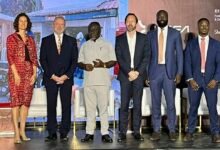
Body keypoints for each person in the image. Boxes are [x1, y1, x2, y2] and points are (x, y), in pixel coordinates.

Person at [40, 16, 78, 142]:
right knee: (51, 105)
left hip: (66, 79)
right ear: (53, 25)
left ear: (65, 26)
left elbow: (74, 61)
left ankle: (64, 132)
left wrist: (65, 76)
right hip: (51, 78)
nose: (59, 26)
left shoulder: (72, 41)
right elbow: (43, 60)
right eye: (57, 24)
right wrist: (53, 76)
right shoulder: (45, 41)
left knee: (66, 106)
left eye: (62, 24)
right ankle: (51, 132)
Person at [147, 10, 183, 141]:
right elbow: (148, 56)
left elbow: (179, 55)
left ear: (168, 18)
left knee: (171, 104)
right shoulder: (150, 35)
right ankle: (156, 130)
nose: (161, 18)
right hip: (154, 73)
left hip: (170, 73)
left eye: (164, 16)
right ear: (156, 18)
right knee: (155, 103)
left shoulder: (175, 33)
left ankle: (172, 130)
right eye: (159, 16)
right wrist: (147, 74)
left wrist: (179, 73)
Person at [78, 22, 116, 143]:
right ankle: (89, 133)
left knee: (103, 109)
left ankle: (105, 133)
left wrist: (103, 64)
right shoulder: (84, 45)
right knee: (90, 110)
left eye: (95, 30)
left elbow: (113, 61)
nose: (92, 32)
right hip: (88, 82)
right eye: (90, 30)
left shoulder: (107, 44)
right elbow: (79, 62)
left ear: (100, 30)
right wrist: (85, 66)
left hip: (103, 82)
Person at [184, 18, 220, 143]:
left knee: (212, 108)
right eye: (201, 25)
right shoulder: (191, 44)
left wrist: (216, 79)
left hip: (211, 81)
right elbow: (187, 63)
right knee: (193, 108)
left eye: (206, 25)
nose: (204, 27)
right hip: (195, 81)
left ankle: (215, 133)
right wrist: (190, 79)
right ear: (198, 26)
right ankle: (190, 132)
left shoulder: (216, 44)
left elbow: (219, 64)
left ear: (209, 26)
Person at [115, 13, 148, 142]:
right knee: (123, 105)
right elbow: (119, 57)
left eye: (132, 21)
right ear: (125, 23)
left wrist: (137, 72)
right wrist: (129, 72)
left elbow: (146, 57)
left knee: (137, 105)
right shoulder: (119, 39)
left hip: (138, 76)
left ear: (136, 23)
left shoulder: (143, 38)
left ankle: (136, 131)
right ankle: (122, 132)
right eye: (128, 21)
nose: (130, 23)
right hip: (125, 76)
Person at [6, 13, 38, 144]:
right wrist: (16, 74)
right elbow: (10, 57)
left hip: (29, 74)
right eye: (21, 21)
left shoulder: (31, 39)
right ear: (17, 23)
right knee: (16, 103)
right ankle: (16, 134)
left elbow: (34, 57)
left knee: (25, 103)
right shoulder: (11, 38)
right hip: (16, 74)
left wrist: (34, 74)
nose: (23, 23)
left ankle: (22, 131)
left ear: (28, 23)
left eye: (25, 21)